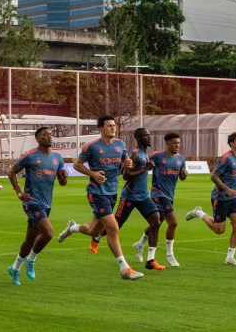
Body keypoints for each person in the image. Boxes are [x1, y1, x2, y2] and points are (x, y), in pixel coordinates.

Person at [57, 115, 142, 281]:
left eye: (114, 125)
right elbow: (76, 164)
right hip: (96, 193)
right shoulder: (92, 147)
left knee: (94, 230)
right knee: (113, 227)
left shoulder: (120, 144)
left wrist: (128, 163)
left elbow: (125, 158)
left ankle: (72, 228)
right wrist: (93, 174)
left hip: (111, 192)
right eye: (109, 125)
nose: (113, 128)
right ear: (101, 129)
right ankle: (125, 269)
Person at [185, 131, 236, 266]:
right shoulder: (226, 158)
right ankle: (198, 212)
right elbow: (214, 176)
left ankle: (230, 257)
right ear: (231, 143)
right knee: (219, 230)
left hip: (234, 198)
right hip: (220, 197)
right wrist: (227, 189)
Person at [7, 126, 67, 284]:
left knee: (30, 238)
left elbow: (62, 182)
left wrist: (64, 177)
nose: (49, 137)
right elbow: (11, 172)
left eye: (51, 134)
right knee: (48, 233)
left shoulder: (57, 158)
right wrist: (19, 192)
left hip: (47, 203)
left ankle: (14, 269)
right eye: (45, 135)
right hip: (31, 201)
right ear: (38, 138)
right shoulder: (30, 156)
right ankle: (31, 260)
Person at [130, 132, 188, 267]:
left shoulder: (180, 159)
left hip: (169, 196)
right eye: (175, 143)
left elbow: (182, 177)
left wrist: (184, 175)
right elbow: (141, 161)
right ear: (167, 143)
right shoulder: (156, 156)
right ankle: (170, 255)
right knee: (173, 222)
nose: (177, 145)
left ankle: (139, 244)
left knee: (156, 224)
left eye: (179, 143)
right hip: (157, 195)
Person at [114, 128, 165, 270]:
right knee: (114, 227)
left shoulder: (144, 153)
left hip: (143, 196)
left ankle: (150, 260)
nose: (149, 138)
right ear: (138, 138)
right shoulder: (135, 155)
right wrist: (146, 168)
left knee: (156, 221)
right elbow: (126, 175)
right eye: (146, 136)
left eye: (149, 135)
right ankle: (93, 234)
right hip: (129, 196)